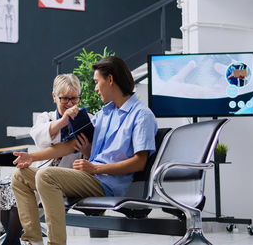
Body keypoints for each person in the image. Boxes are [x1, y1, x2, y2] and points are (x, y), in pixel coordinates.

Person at [11, 56, 157, 245]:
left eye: (97, 82)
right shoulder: (104, 114)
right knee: (20, 176)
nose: (95, 88)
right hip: (90, 178)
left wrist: (96, 169)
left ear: (110, 80)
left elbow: (140, 162)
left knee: (46, 175)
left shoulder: (141, 115)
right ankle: (34, 241)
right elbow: (70, 145)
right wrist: (31, 157)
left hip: (107, 184)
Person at [0, 74, 88, 245]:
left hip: (64, 177)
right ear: (54, 97)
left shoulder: (84, 120)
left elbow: (81, 150)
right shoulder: (46, 118)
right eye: (64, 98)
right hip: (39, 172)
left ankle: (12, 239)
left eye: (74, 98)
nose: (69, 103)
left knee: (21, 188)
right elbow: (39, 137)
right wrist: (62, 121)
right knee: (3, 187)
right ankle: (14, 237)